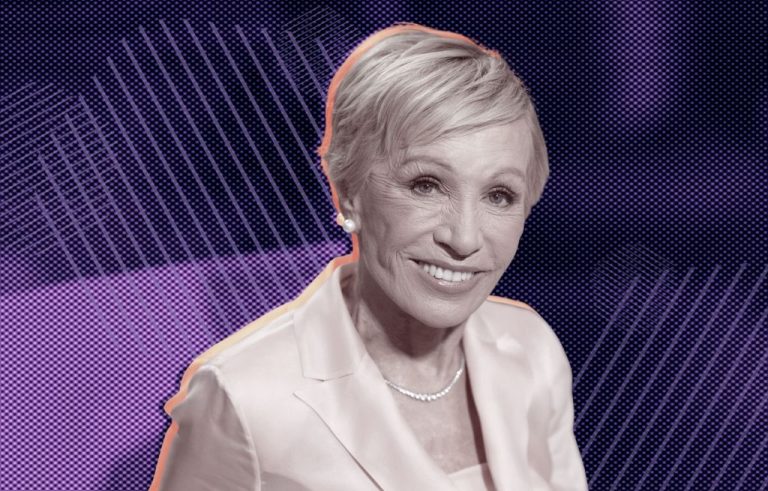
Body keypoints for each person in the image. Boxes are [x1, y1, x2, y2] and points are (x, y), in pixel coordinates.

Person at [150, 23, 587, 491]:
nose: (464, 238)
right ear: (349, 193)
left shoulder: (532, 349)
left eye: (499, 195)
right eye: (426, 185)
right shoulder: (242, 395)